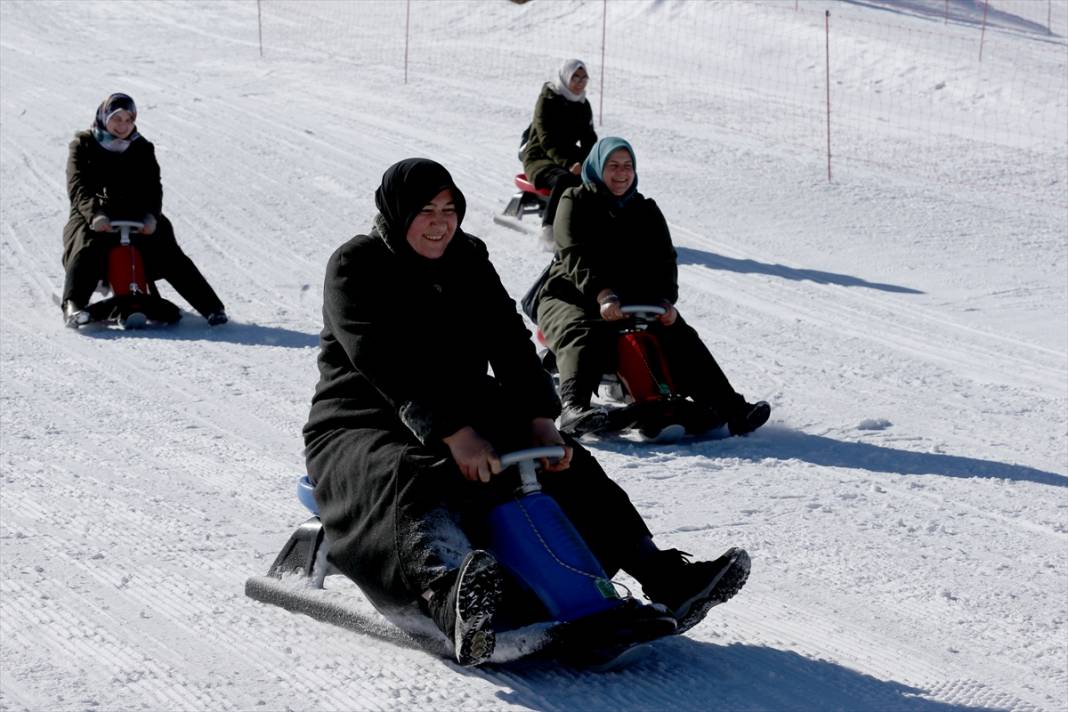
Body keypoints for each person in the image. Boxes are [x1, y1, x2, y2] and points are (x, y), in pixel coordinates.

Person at [302, 158, 750, 666]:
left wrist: (540, 417)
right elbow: (382, 362)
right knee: (412, 472)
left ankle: (663, 575)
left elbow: (509, 342)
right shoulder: (356, 264)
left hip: (461, 407)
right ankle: (450, 601)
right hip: (361, 418)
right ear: (397, 212)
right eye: (425, 210)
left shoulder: (467, 256)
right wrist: (454, 434)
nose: (439, 222)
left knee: (565, 458)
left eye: (449, 209)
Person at [534, 137, 772, 437]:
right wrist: (602, 293)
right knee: (583, 330)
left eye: (628, 166)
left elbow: (664, 259)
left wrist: (665, 300)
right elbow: (574, 253)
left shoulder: (645, 209)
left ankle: (731, 408)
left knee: (678, 334)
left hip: (626, 295)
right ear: (597, 167)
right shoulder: (574, 200)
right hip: (572, 291)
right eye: (613, 166)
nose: (621, 174)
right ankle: (573, 407)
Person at [62, 92, 227, 328]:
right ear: (104, 117)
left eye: (128, 120)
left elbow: (153, 187)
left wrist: (151, 215)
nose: (123, 126)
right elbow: (77, 186)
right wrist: (94, 214)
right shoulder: (83, 145)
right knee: (87, 244)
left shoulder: (142, 148)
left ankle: (211, 307)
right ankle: (73, 306)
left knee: (165, 245)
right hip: (92, 213)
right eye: (117, 119)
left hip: (134, 212)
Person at [520, 58, 598, 248]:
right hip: (539, 155)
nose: (580, 83)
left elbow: (589, 139)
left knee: (598, 180)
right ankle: (549, 229)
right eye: (575, 78)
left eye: (583, 79)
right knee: (565, 179)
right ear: (565, 77)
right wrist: (568, 164)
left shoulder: (583, 104)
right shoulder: (548, 99)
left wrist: (596, 161)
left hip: (568, 155)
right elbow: (546, 138)